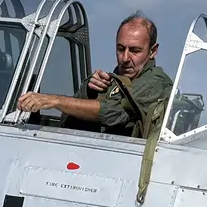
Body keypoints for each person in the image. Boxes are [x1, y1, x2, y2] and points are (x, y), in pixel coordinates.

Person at [17, 14, 172, 138]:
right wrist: (89, 89)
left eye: (135, 50)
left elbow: (114, 113)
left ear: (153, 51)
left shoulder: (155, 83)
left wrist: (55, 100)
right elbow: (68, 119)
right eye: (120, 48)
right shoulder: (114, 80)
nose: (125, 58)